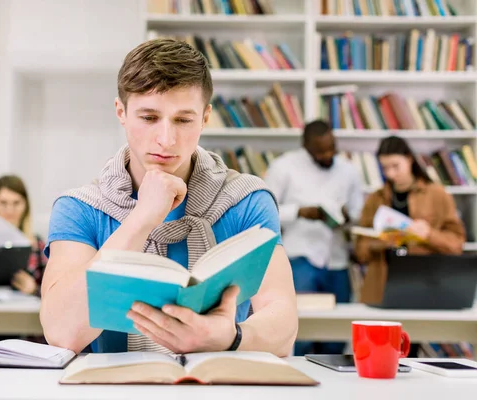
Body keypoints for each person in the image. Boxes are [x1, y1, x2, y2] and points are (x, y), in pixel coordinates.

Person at [39, 38, 298, 356]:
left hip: (218, 385)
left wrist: (231, 338)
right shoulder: (79, 207)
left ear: (205, 118)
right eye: (149, 118)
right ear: (121, 112)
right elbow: (62, 332)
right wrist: (143, 217)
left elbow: (283, 324)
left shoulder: (247, 199)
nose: (166, 139)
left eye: (183, 120)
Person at [264, 119, 364, 356]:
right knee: (299, 331)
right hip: (300, 259)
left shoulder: (349, 170)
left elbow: (359, 213)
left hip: (336, 261)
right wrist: (300, 211)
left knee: (337, 334)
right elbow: (266, 210)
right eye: (320, 151)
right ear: (306, 146)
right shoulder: (283, 167)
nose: (327, 154)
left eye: (332, 148)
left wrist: (348, 216)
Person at [354, 136, 466, 305]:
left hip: (425, 284)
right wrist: (384, 242)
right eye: (385, 168)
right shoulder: (375, 199)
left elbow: (456, 244)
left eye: (395, 166)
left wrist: (428, 234)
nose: (390, 174)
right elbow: (360, 251)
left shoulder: (437, 195)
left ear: (409, 159)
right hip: (382, 286)